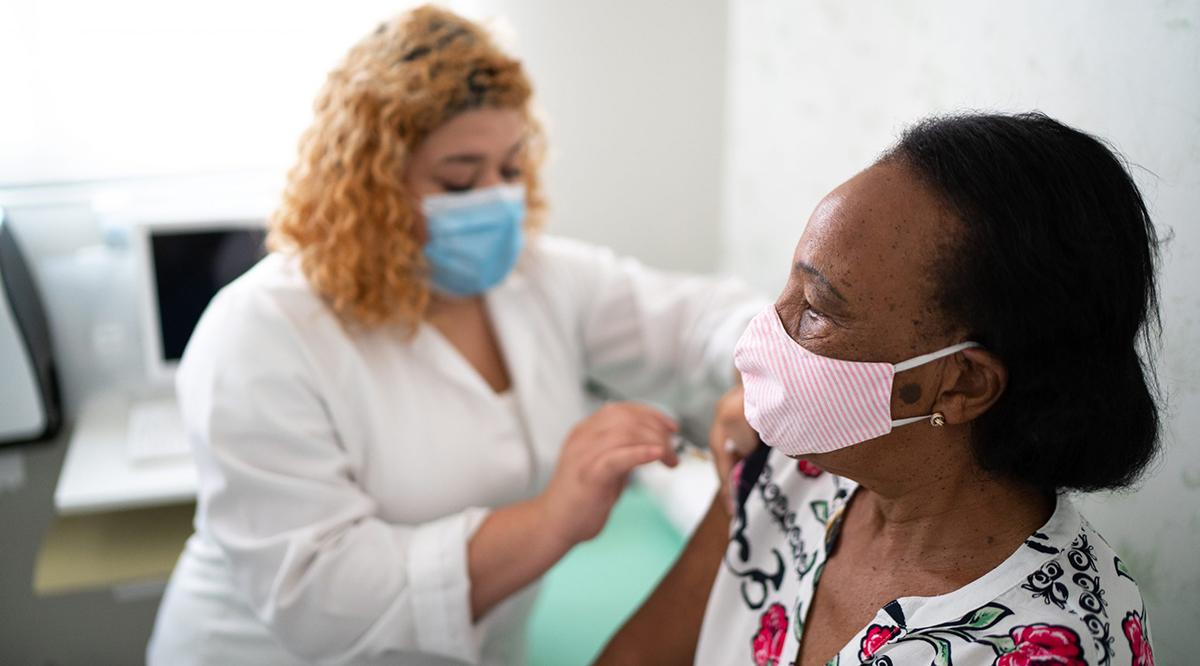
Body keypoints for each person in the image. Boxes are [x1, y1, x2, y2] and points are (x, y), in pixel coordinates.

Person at [146, 6, 760, 665]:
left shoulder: (537, 279)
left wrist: (763, 375)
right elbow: (322, 601)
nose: (496, 198)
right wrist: (552, 518)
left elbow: (702, 319)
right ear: (369, 187)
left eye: (511, 169)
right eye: (460, 179)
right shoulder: (262, 332)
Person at [598, 112, 1160, 665]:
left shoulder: (1048, 646)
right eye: (789, 285)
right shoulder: (789, 467)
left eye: (816, 311)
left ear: (960, 385)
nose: (764, 334)